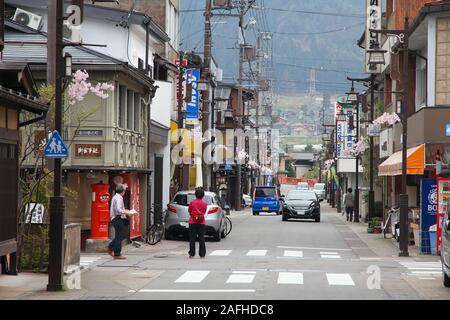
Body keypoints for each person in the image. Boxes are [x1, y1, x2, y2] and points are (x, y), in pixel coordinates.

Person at [108, 184, 134, 260]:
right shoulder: (118, 198)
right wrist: (126, 212)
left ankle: (111, 247)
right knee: (120, 236)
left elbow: (119, 209)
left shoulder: (116, 197)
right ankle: (117, 253)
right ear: (122, 191)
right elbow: (118, 210)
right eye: (124, 190)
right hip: (117, 218)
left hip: (118, 218)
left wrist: (126, 211)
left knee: (121, 235)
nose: (125, 191)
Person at [188, 187, 208, 259]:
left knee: (192, 238)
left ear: (195, 195)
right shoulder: (205, 204)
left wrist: (193, 216)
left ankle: (192, 254)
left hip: (192, 221)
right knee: (201, 238)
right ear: (203, 195)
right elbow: (204, 212)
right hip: (202, 222)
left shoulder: (192, 202)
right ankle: (202, 254)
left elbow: (189, 211)